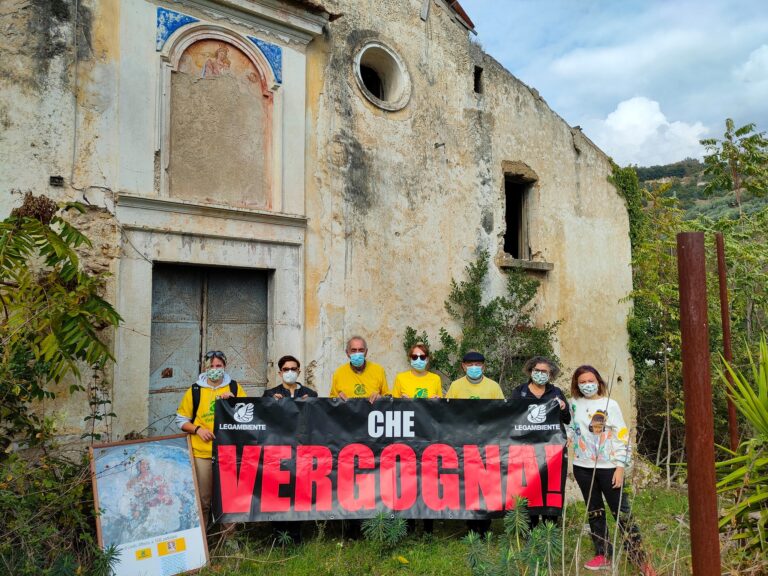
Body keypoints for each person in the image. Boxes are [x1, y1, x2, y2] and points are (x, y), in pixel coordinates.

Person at [568, 365, 657, 576]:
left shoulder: (610, 404)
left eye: (590, 380)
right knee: (595, 511)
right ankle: (603, 554)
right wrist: (564, 440)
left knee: (622, 512)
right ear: (577, 385)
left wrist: (620, 467)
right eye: (582, 382)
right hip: (583, 467)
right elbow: (571, 429)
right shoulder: (574, 404)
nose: (586, 385)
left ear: (598, 381)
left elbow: (622, 435)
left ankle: (640, 559)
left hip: (609, 468)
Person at [176, 350, 245, 531]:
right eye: (211, 366)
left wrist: (233, 403)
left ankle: (229, 539)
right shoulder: (195, 390)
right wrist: (197, 430)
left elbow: (247, 418)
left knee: (228, 498)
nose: (215, 369)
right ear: (205, 368)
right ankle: (202, 542)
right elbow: (181, 420)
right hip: (202, 453)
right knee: (203, 499)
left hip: (227, 453)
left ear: (225, 366)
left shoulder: (235, 388)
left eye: (218, 366)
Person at [446, 351, 504, 536]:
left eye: (477, 364)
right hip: (464, 443)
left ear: (483, 367)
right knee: (469, 484)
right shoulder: (455, 386)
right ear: (463, 366)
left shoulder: (493, 387)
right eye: (470, 364)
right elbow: (446, 412)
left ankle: (486, 526)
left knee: (486, 484)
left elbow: (503, 412)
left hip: (487, 443)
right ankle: (471, 525)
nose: (474, 368)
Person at [510, 356, 570, 529]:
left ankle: (550, 527)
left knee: (551, 486)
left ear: (550, 374)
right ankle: (530, 529)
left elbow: (566, 419)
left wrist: (563, 408)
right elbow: (510, 417)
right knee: (529, 486)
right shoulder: (519, 391)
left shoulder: (556, 392)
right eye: (537, 370)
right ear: (530, 371)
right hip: (526, 449)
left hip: (551, 450)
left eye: (545, 371)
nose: (540, 374)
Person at [262, 355, 317, 545]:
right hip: (279, 452)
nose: (290, 372)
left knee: (298, 493)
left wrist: (310, 404)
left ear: (299, 371)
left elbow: (318, 421)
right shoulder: (270, 394)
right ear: (279, 373)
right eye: (286, 369)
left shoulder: (311, 394)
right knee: (279, 492)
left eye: (294, 369)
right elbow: (264, 420)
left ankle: (295, 536)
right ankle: (278, 535)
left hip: (302, 451)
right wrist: (271, 404)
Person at [393, 342, 442, 535]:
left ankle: (428, 527)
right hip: (407, 435)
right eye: (415, 357)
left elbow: (440, 407)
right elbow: (392, 405)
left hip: (429, 435)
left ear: (428, 359)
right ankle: (410, 525)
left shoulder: (435, 379)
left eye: (422, 357)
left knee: (428, 479)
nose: (419, 360)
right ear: (409, 359)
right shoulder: (400, 378)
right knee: (409, 479)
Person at [330, 336, 389, 402]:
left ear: (366, 352)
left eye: (361, 350)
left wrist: (381, 398)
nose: (357, 354)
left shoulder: (379, 370)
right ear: (347, 353)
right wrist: (338, 399)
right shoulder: (339, 373)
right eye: (353, 350)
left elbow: (388, 399)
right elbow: (331, 402)